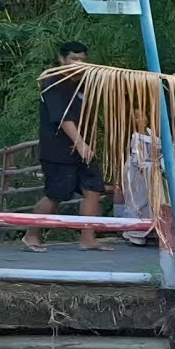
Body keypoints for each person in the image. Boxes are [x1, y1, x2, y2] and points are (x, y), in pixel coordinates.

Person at [25, 42, 110, 253]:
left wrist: (86, 144)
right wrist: (80, 144)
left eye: (82, 60)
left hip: (84, 148)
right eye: (74, 59)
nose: (78, 63)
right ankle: (31, 235)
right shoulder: (52, 82)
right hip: (58, 149)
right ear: (62, 59)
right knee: (57, 194)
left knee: (93, 189)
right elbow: (63, 117)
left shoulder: (85, 83)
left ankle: (87, 239)